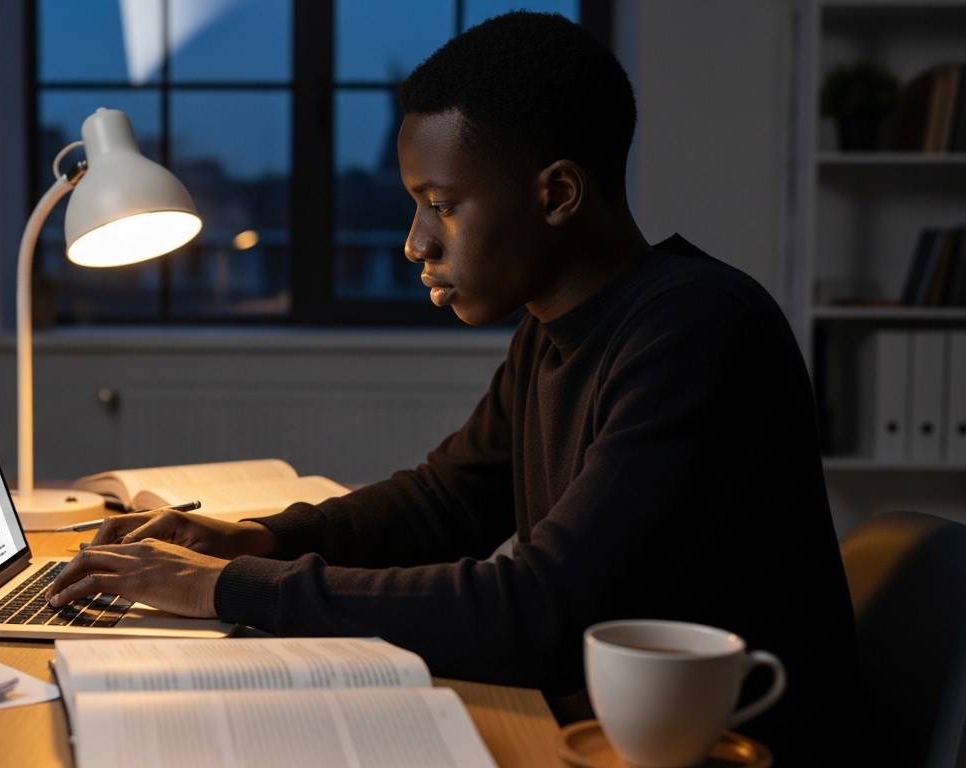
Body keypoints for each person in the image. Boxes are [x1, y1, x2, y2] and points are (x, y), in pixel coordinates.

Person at [47, 11, 860, 764]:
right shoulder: (551, 329)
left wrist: (224, 589)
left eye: (441, 205)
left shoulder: (694, 335)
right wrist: (252, 540)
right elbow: (445, 503)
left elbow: (539, 610)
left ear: (558, 194)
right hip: (603, 734)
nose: (414, 244)